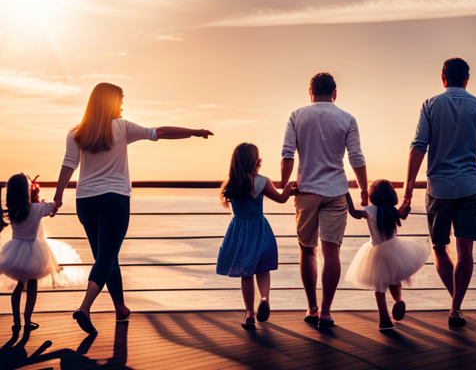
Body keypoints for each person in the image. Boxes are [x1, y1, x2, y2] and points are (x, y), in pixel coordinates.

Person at [53, 82, 213, 334]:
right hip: (115, 200)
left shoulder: (76, 132)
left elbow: (68, 165)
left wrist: (58, 197)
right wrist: (193, 131)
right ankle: (84, 307)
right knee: (107, 255)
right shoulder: (122, 127)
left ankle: (120, 308)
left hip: (86, 201)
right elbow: (159, 132)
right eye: (120, 100)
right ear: (110, 103)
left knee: (105, 256)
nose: (123, 106)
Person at [399, 57, 476, 328]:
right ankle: (456, 308)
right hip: (470, 187)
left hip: (439, 189)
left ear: (443, 78)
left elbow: (418, 147)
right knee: (464, 249)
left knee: (439, 247)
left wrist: (407, 192)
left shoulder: (430, 105)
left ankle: (455, 302)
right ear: (467, 79)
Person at [281, 72, 368, 328]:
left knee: (308, 250)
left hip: (306, 190)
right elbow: (356, 158)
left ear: (310, 92)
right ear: (335, 92)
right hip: (336, 191)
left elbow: (287, 154)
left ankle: (312, 307)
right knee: (332, 252)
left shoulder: (297, 116)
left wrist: (285, 183)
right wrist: (364, 189)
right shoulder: (347, 118)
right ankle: (327, 312)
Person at [217, 143, 296, 330]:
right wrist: (290, 187)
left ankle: (249, 314)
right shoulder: (262, 182)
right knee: (263, 268)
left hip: (240, 231)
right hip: (260, 229)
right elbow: (281, 198)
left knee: (246, 274)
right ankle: (265, 298)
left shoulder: (231, 184)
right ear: (256, 161)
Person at [345, 180, 429, 330]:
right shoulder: (393, 211)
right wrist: (407, 200)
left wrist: (345, 193)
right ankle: (398, 300)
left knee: (380, 288)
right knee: (395, 278)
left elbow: (352, 212)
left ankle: (384, 320)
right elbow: (404, 212)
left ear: (374, 196)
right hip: (395, 251)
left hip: (376, 252)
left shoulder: (370, 211)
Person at [0, 174, 60, 332]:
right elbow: (53, 208)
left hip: (14, 253)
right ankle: (27, 320)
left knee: (19, 286)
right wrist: (38, 195)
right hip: (33, 254)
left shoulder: (12, 211)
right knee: (32, 285)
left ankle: (16, 321)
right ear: (27, 192)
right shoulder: (36, 209)